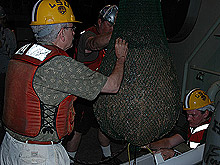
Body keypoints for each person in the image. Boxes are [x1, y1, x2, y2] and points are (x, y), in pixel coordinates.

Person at [0, 0, 128, 164]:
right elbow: (113, 86)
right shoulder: (59, 64)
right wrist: (121, 58)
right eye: (71, 28)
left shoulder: (23, 51)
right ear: (61, 33)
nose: (74, 32)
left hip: (9, 146)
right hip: (36, 154)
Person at [65, 5, 119, 163]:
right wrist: (117, 33)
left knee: (104, 126)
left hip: (102, 91)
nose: (112, 29)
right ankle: (70, 160)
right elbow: (93, 44)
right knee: (78, 129)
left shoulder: (110, 38)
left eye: (115, 26)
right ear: (100, 21)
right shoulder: (88, 35)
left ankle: (107, 156)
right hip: (84, 94)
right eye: (109, 25)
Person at [145, 88, 214, 161]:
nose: (188, 119)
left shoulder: (211, 132)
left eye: (193, 115)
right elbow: (169, 142)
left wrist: (173, 154)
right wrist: (148, 145)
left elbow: (199, 159)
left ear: (205, 113)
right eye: (187, 114)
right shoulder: (193, 123)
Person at [0, 5, 17, 121]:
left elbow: (13, 49)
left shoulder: (7, 33)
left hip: (5, 70)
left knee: (4, 96)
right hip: (5, 69)